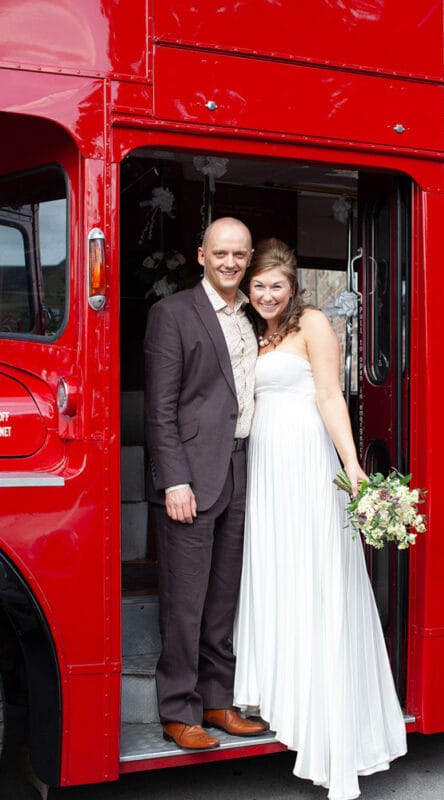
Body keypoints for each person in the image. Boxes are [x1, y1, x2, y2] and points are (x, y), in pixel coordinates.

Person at [233, 238, 407, 799]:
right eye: (258, 286)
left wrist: (352, 466)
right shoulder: (253, 331)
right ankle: (284, 693)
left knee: (314, 575)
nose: (266, 295)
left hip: (307, 460)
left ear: (293, 287)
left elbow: (331, 396)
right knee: (279, 572)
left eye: (276, 286)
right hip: (266, 467)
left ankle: (325, 721)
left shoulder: (312, 324)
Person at [144, 217, 267, 750]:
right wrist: (174, 480)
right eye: (221, 253)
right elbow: (159, 409)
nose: (230, 263)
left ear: (249, 258)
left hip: (241, 468)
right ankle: (179, 709)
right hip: (191, 477)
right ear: (201, 256)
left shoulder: (253, 316)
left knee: (222, 599)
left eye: (239, 254)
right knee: (185, 601)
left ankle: (218, 700)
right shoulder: (172, 313)